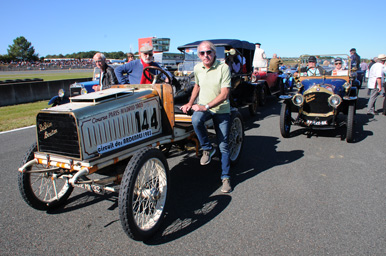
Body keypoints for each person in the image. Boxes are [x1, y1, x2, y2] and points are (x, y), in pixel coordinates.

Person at [180, 41, 232, 193]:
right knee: (195, 119)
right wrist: (190, 103)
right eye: (202, 53)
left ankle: (226, 178)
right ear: (199, 55)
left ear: (215, 53)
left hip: (221, 109)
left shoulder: (224, 68)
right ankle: (207, 148)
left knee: (223, 145)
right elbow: (197, 86)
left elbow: (224, 94)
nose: (206, 55)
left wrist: (205, 106)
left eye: (209, 52)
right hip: (204, 106)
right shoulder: (197, 68)